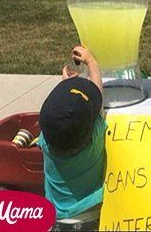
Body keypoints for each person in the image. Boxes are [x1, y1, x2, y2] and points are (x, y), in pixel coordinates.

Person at [38, 46, 105, 231]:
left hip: (55, 221)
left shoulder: (45, 142)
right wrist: (92, 62)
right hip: (92, 221)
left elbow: (60, 120)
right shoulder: (95, 140)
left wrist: (66, 87)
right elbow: (98, 100)